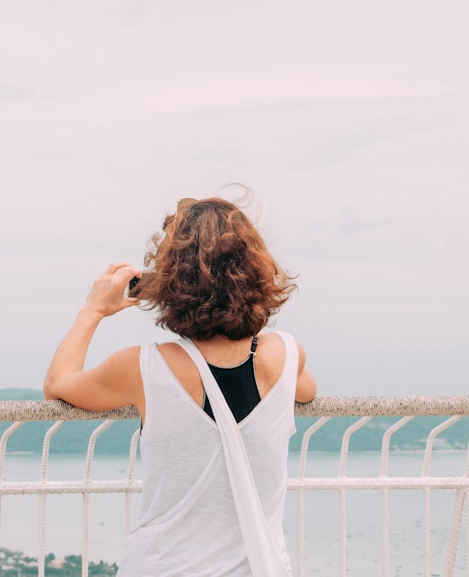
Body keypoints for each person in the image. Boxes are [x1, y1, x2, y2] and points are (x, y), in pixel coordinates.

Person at [43, 196, 317, 577]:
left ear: (170, 279)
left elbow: (58, 383)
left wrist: (93, 310)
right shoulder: (286, 353)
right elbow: (306, 392)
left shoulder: (143, 366)